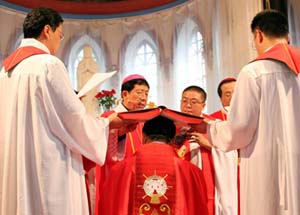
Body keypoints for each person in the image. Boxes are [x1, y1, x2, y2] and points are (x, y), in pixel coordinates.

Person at [0, 7, 133, 215]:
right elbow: (74, 120)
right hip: (48, 164)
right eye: (60, 36)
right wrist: (108, 123)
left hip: (17, 163)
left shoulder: (6, 70)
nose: (58, 43)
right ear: (47, 30)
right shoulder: (48, 64)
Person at [198, 9, 300, 214]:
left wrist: (209, 128)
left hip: (265, 165)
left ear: (259, 34)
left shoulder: (254, 72)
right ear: (287, 36)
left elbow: (240, 129)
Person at [99, 115, 209, 215]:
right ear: (172, 139)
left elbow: (108, 206)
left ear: (144, 136)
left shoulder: (120, 170)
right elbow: (199, 208)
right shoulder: (192, 172)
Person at [91, 74, 150, 215]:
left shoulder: (144, 119)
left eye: (146, 93)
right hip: (115, 178)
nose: (143, 98)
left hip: (140, 177)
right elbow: (100, 146)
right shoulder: (109, 117)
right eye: (139, 92)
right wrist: (120, 133)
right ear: (125, 94)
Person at [175, 85, 215, 215]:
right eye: (184, 101)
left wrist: (207, 144)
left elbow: (231, 152)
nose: (187, 106)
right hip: (181, 179)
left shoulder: (213, 125)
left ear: (203, 105)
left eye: (193, 102)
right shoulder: (173, 125)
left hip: (207, 180)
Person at [210, 78, 239, 215]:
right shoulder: (212, 121)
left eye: (236, 92)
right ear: (221, 99)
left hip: (248, 169)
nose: (233, 97)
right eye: (227, 94)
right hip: (224, 174)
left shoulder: (254, 115)